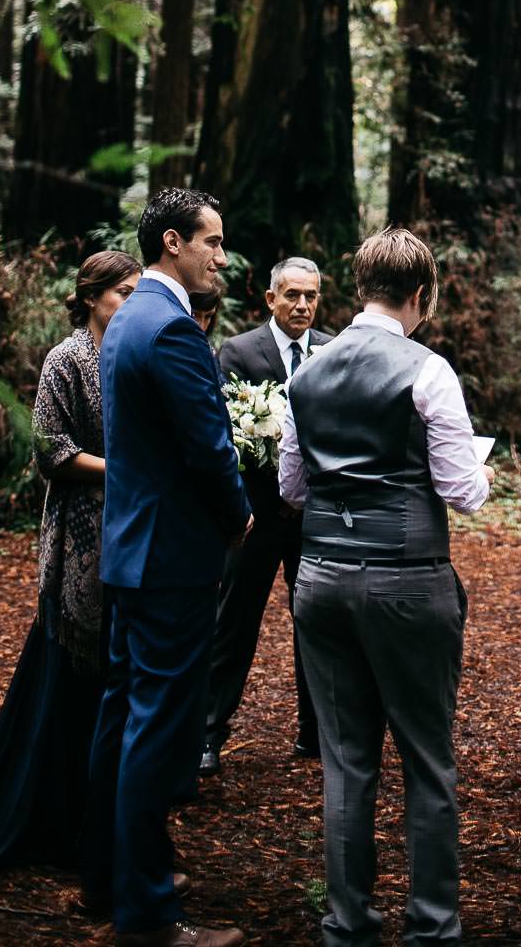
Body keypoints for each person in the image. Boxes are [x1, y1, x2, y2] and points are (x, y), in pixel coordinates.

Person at [279, 226, 492, 947]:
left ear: (359, 287)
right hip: (405, 580)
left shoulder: (303, 376)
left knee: (346, 760)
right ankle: (431, 926)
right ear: (420, 296)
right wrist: (481, 470)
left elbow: (291, 486)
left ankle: (348, 924)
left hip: (320, 580)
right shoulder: (427, 371)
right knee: (427, 760)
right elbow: (464, 492)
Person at [0, 249, 140, 870]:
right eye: (122, 292)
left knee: (113, 683)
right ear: (91, 296)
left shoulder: (129, 354)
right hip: (78, 535)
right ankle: (49, 819)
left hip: (131, 529)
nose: (129, 303)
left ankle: (101, 819)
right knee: (69, 674)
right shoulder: (66, 358)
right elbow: (50, 450)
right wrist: (126, 472)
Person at [82, 189, 251, 947]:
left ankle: (109, 877)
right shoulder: (174, 328)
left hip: (129, 548)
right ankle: (147, 914)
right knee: (153, 728)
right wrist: (240, 515)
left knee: (121, 717)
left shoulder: (125, 321)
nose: (222, 256)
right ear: (174, 242)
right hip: (171, 558)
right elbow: (208, 447)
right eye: (213, 243)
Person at [199, 256, 331, 776]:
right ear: (270, 299)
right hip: (255, 514)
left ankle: (316, 730)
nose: (302, 305)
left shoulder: (332, 350)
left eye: (311, 296)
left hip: (314, 517)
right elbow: (223, 430)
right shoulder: (238, 352)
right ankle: (208, 732)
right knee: (233, 622)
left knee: (317, 624)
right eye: (292, 295)